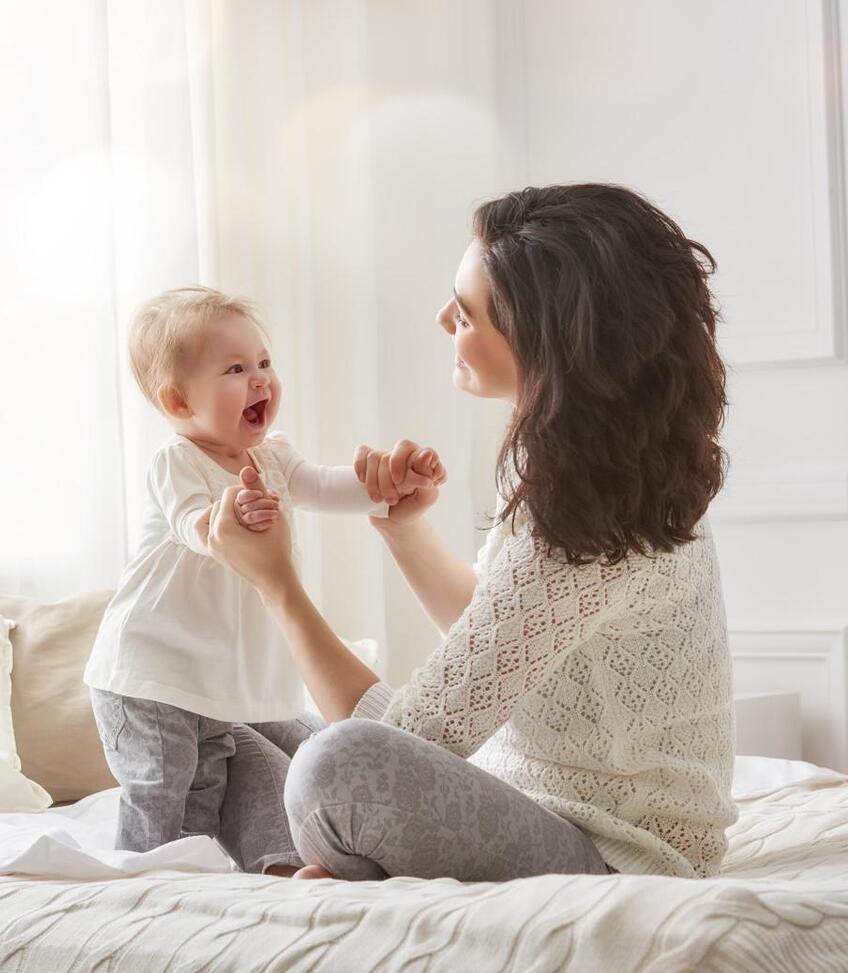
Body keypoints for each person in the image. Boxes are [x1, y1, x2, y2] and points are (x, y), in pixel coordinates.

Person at [208, 183, 738, 881]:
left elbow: (411, 734)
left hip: (621, 855)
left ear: (542, 340)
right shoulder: (599, 463)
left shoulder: (586, 507)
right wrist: (405, 531)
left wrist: (276, 583)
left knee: (331, 762)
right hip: (557, 806)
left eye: (465, 313)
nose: (441, 319)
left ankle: (353, 861)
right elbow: (504, 626)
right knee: (286, 737)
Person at [83, 285, 445, 872]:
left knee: (204, 796)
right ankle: (139, 892)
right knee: (161, 796)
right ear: (177, 402)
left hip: (207, 680)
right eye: (235, 369)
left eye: (264, 364)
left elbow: (326, 485)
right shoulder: (177, 461)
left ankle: (202, 889)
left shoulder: (272, 459)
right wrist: (228, 520)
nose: (260, 380)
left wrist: (386, 482)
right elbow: (191, 525)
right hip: (147, 671)